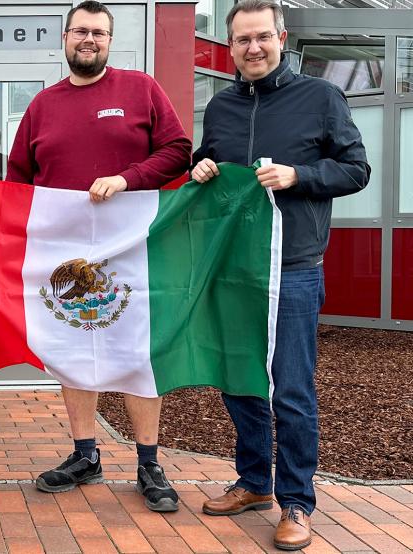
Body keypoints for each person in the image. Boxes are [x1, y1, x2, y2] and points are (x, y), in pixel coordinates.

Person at [191, 0, 369, 549]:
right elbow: (210, 162)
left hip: (293, 270)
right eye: (242, 40)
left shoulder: (321, 97)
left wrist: (299, 175)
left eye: (261, 37)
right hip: (233, 269)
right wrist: (199, 167)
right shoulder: (219, 106)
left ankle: (296, 501)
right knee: (241, 380)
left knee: (290, 390)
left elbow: (356, 169)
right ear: (231, 46)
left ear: (281, 36)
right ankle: (253, 482)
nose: (252, 48)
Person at [6, 0, 191, 512]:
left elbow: (178, 150)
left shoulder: (141, 89)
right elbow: (18, 179)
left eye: (99, 33)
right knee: (70, 348)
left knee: (137, 354)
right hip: (61, 254)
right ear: (65, 39)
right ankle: (85, 454)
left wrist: (127, 178)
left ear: (110, 41)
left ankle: (148, 463)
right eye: (80, 31)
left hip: (131, 248)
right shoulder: (43, 104)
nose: (88, 40)